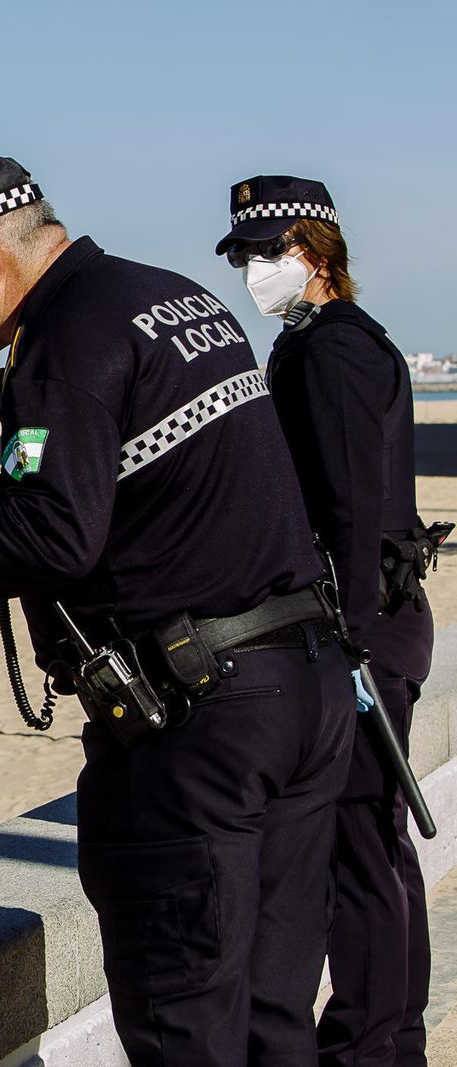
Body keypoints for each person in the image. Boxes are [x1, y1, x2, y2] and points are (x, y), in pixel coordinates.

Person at [0, 156, 355, 1064]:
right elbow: (140, 491)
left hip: (203, 723)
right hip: (302, 688)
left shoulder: (65, 341)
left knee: (185, 1024)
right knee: (275, 1018)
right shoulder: (172, 298)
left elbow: (56, 542)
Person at [217, 175, 436, 1067]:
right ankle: (386, 1035)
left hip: (367, 622)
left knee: (363, 847)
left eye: (265, 255)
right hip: (364, 615)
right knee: (363, 843)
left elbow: (350, 505)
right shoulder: (310, 345)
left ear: (312, 255)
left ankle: (377, 1044)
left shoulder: (335, 351)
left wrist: (344, 635)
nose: (252, 272)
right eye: (243, 258)